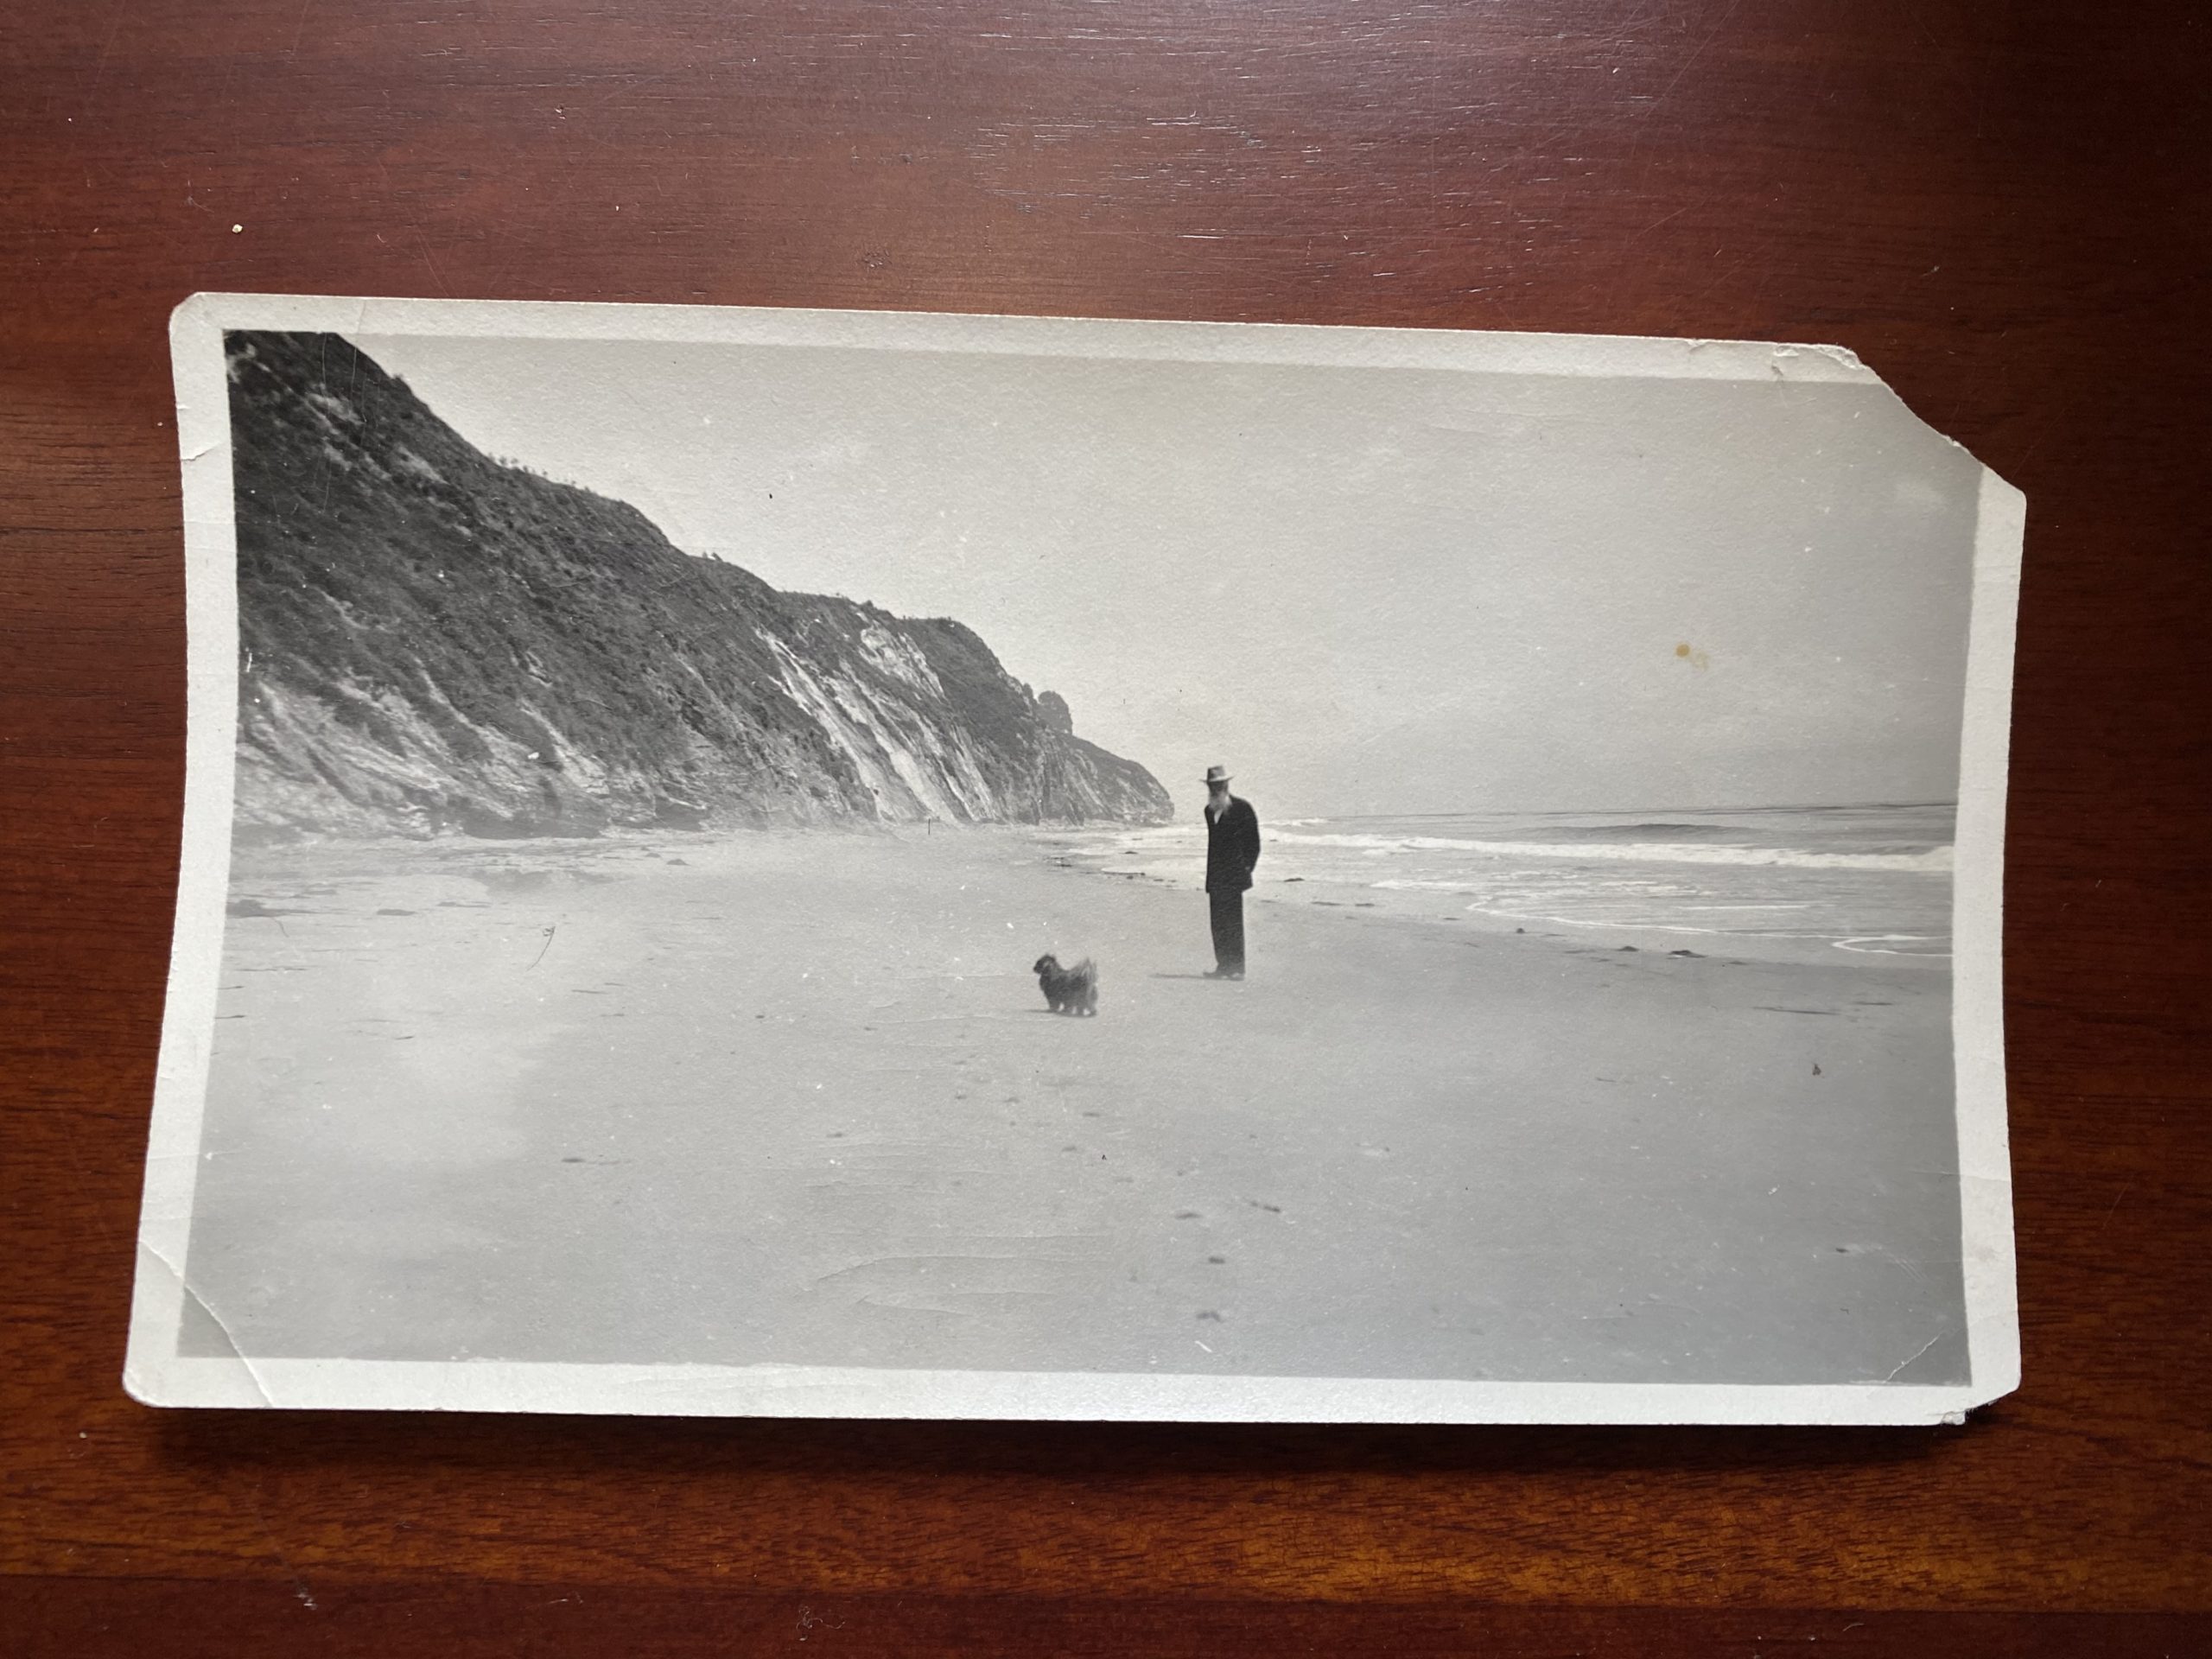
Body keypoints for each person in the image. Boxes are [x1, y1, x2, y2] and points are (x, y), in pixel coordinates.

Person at [1200, 765, 1261, 979]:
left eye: (1219, 784)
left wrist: (1246, 869)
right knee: (1217, 923)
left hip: (1234, 877)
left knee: (1233, 922)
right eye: (1212, 785)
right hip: (1215, 876)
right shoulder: (1208, 811)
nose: (1216, 788)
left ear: (1226, 784)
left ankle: (1237, 968)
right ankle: (1223, 966)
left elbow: (1253, 843)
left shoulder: (1242, 807)